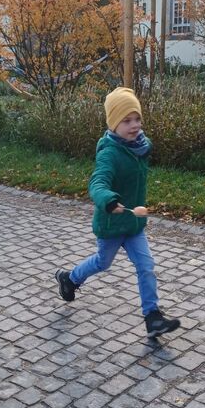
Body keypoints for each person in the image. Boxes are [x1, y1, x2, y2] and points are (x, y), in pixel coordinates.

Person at [55, 86, 180, 338]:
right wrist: (109, 200)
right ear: (113, 124)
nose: (134, 125)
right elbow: (98, 183)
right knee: (103, 262)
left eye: (137, 119)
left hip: (133, 225)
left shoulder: (140, 147)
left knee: (146, 265)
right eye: (126, 121)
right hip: (112, 223)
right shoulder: (109, 153)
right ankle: (69, 279)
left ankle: (153, 317)